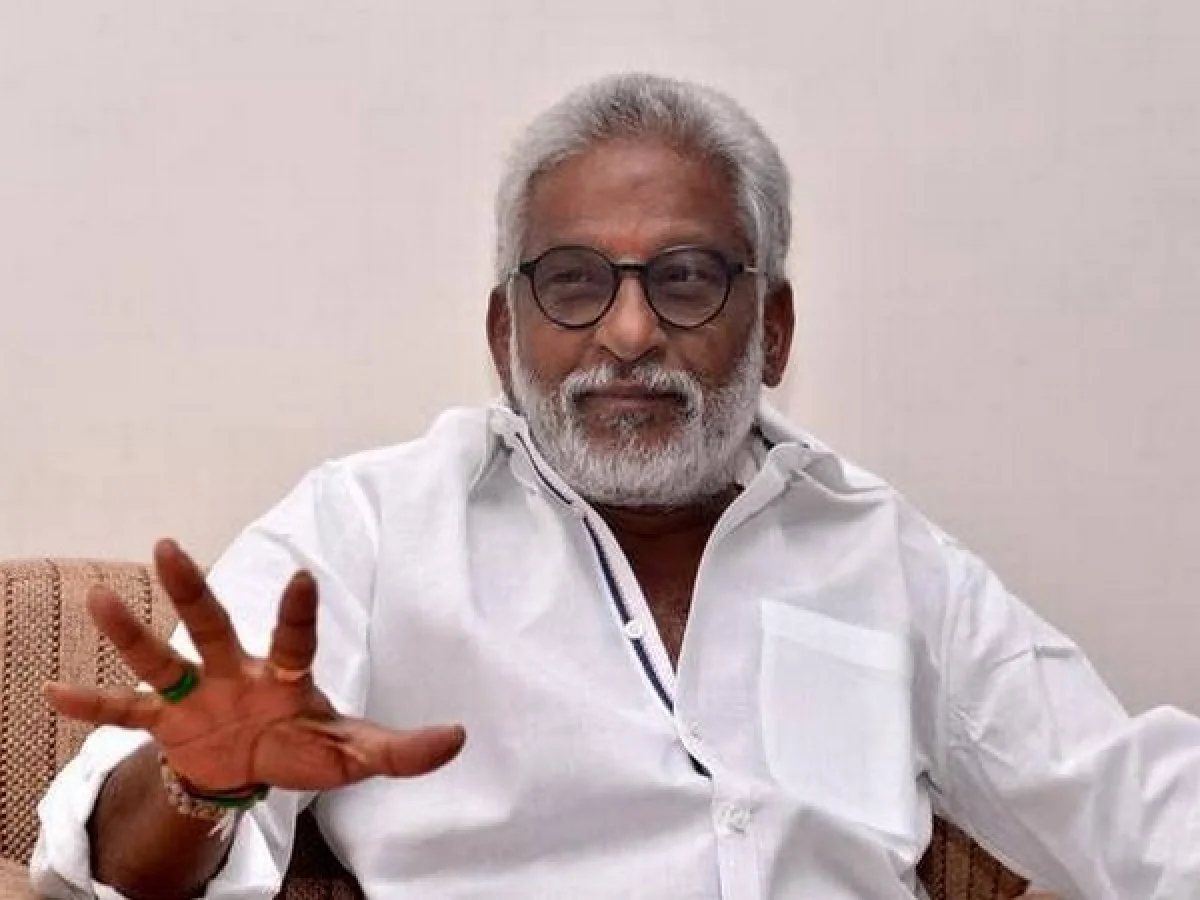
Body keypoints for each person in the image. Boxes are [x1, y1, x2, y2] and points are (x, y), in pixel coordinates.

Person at [32, 73, 1199, 900]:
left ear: (774, 327)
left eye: (686, 279)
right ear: (505, 332)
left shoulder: (882, 553)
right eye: (575, 282)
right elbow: (102, 876)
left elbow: (1137, 809)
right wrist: (199, 781)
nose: (631, 332)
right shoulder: (368, 530)